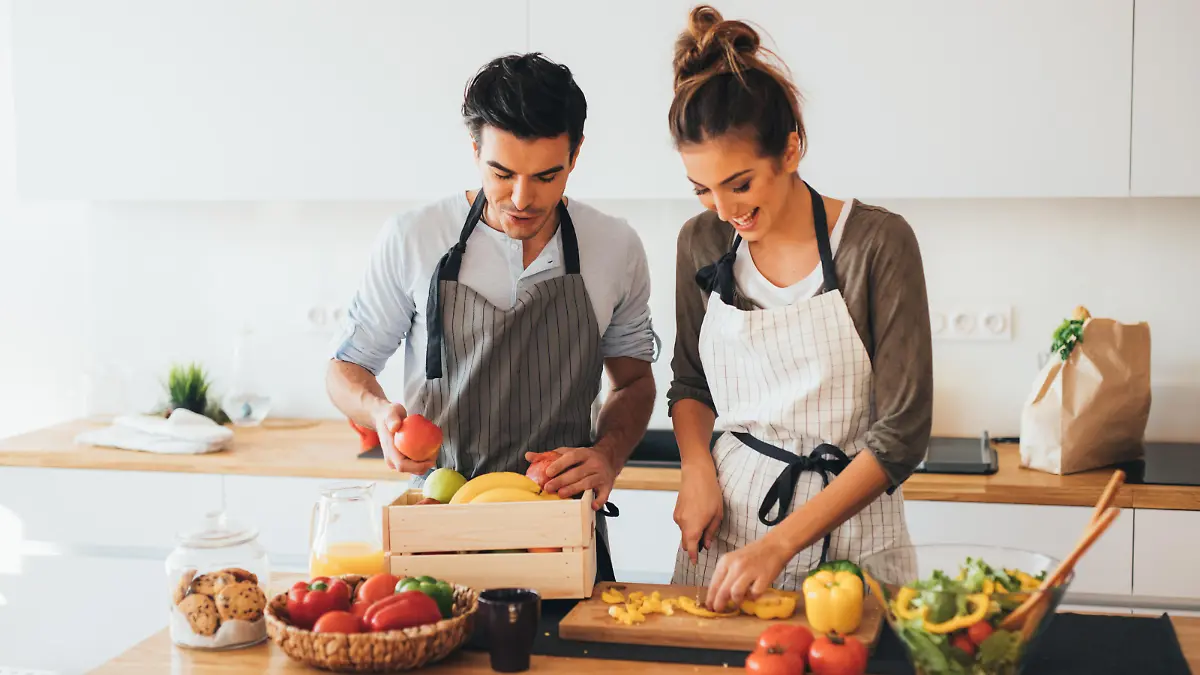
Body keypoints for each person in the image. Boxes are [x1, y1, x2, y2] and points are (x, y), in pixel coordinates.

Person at [327, 53, 659, 582]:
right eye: (501, 174)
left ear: (575, 156)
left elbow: (635, 382)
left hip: (561, 532)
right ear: (475, 150)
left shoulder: (614, 246)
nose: (522, 199)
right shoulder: (415, 237)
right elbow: (346, 368)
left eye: (547, 176)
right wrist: (379, 416)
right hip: (437, 528)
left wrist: (609, 453)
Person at [665, 5, 933, 612]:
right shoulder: (701, 242)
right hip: (725, 528)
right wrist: (695, 470)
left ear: (790, 151)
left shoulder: (875, 243)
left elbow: (902, 437)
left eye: (740, 183)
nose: (724, 207)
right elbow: (690, 382)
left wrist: (780, 545)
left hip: (853, 534)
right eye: (702, 188)